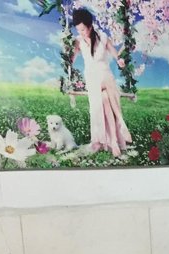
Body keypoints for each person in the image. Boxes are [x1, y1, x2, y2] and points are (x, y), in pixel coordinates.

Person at [71, 8, 132, 156]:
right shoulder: (78, 41)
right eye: (78, 30)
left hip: (105, 75)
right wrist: (67, 50)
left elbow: (114, 53)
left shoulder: (103, 37)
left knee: (107, 97)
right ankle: (116, 132)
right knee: (102, 102)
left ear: (90, 26)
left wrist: (120, 60)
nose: (81, 33)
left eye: (83, 29)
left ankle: (114, 141)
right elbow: (71, 60)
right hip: (92, 78)